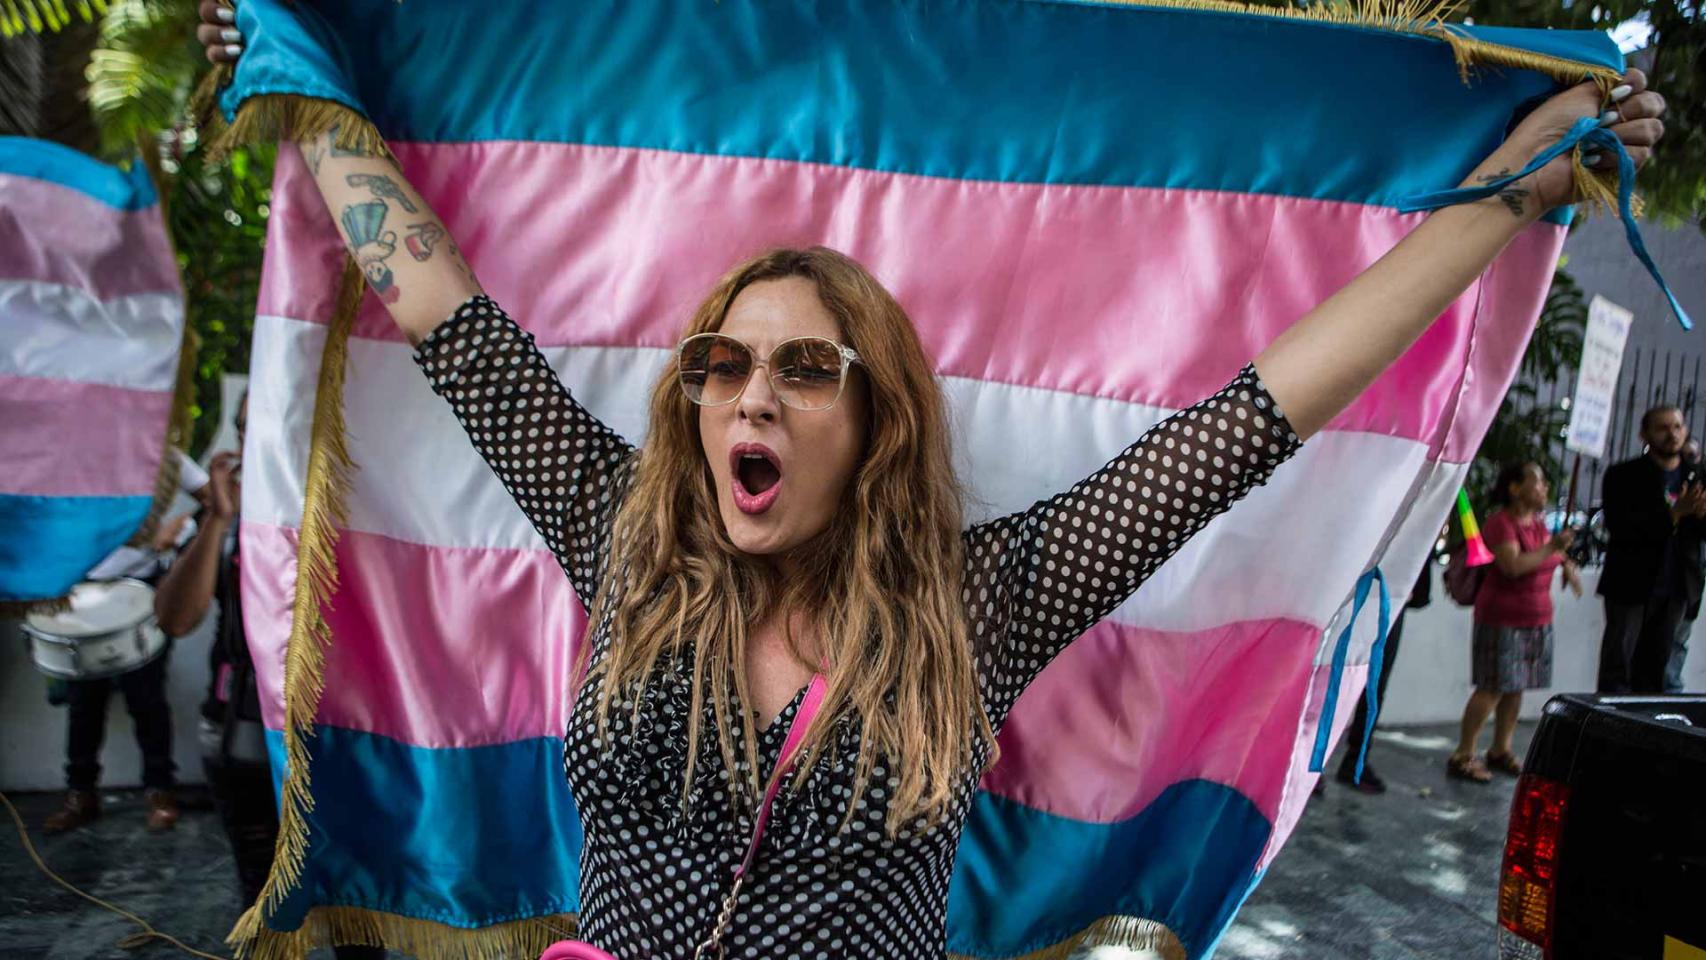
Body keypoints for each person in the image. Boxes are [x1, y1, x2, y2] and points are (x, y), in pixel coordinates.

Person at [201, 15, 1670, 956]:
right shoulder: (628, 541)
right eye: (721, 366)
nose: (749, 393)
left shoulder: (986, 597)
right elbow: (449, 318)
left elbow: (1261, 412)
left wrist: (1511, 200)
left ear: (877, 423)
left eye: (802, 369)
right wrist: (307, 81)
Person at [150, 398, 387, 960]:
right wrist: (218, 518)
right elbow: (176, 617)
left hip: (346, 737)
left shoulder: (357, 505)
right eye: (246, 426)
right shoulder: (230, 517)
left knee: (359, 908)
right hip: (244, 735)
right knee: (264, 901)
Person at [43, 449, 209, 834]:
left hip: (141, 590)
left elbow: (213, 499)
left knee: (146, 696)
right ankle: (80, 793)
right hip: (81, 589)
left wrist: (180, 532)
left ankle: (159, 790)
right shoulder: (70, 452)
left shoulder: (161, 452)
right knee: (83, 699)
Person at [1448, 464, 1581, 783]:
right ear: (1514, 488)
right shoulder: (1501, 524)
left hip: (1536, 618)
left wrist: (1565, 563)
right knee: (1491, 687)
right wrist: (1553, 548)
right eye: (1537, 483)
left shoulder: (1537, 525)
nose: (1544, 490)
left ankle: (1500, 749)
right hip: (1502, 618)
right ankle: (1464, 753)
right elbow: (1513, 565)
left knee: (1516, 686)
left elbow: (1549, 556)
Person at [1597, 406, 1706, 693]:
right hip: (1632, 585)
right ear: (1644, 434)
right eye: (1663, 427)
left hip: (1679, 588)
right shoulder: (1623, 476)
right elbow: (1622, 527)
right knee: (1619, 668)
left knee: (1662, 672)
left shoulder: (1695, 476)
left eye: (1677, 426)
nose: (1672, 434)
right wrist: (1673, 514)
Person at [1331, 559, 1433, 794]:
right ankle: (1313, 764)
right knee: (1335, 677)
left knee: (1374, 684)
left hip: (1393, 597)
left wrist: (1412, 587)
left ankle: (1356, 761)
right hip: (1358, 591)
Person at [1669, 437, 1703, 692]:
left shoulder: (1700, 490)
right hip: (1656, 585)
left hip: (1688, 583)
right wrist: (1677, 512)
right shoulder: (1666, 485)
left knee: (1678, 645)